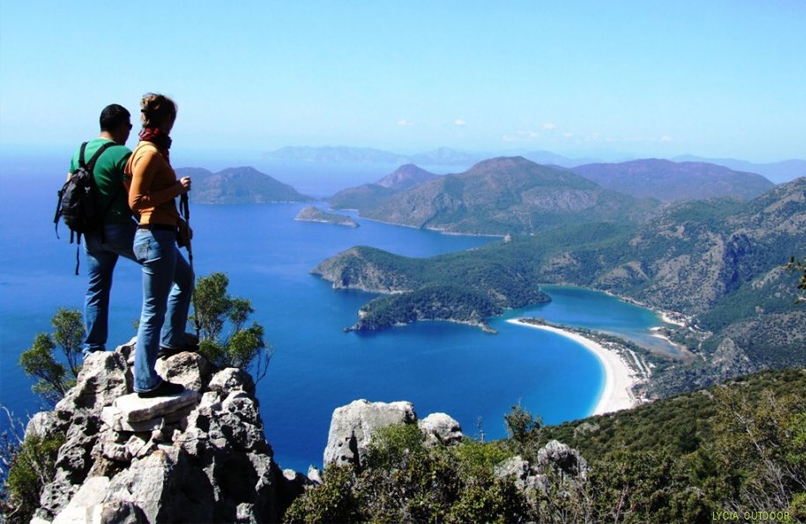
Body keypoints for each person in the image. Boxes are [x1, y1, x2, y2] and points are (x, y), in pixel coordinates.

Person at [126, 93, 195, 398]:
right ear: (166, 120)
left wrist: (178, 222)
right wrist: (176, 189)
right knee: (153, 310)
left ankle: (172, 340)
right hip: (154, 238)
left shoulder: (151, 150)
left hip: (162, 233)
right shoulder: (149, 153)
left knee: (185, 281)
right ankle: (145, 381)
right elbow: (136, 202)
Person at [67, 104, 137, 356]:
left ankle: (92, 349)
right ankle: (164, 338)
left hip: (90, 232)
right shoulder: (122, 153)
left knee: (96, 288)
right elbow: (134, 198)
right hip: (118, 229)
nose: (130, 131)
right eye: (129, 126)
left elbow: (68, 188)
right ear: (120, 126)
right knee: (167, 267)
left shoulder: (81, 150)